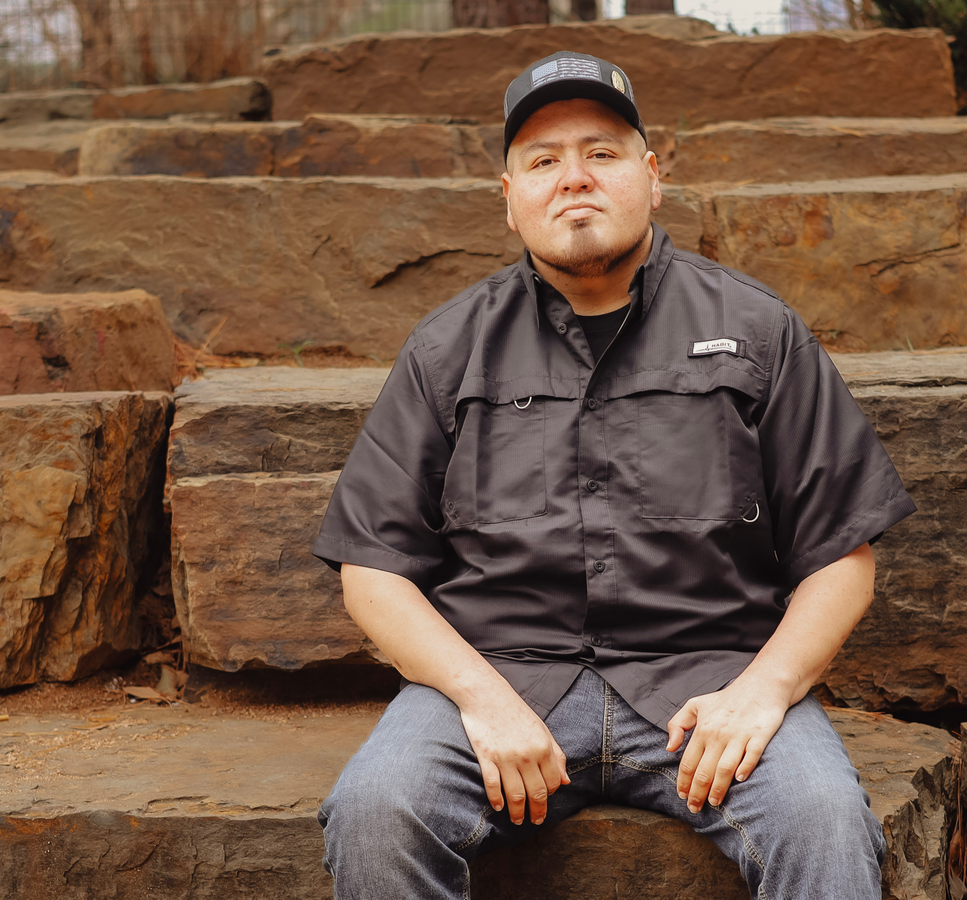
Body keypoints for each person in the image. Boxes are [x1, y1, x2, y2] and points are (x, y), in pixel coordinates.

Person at [312, 51, 916, 899]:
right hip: (500, 674)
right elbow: (373, 569)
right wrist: (481, 699)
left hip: (710, 681)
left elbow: (842, 554)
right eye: (544, 161)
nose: (575, 178)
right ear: (510, 197)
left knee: (823, 817)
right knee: (377, 809)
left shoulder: (757, 331)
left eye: (601, 152)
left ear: (653, 176)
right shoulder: (447, 350)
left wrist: (764, 691)